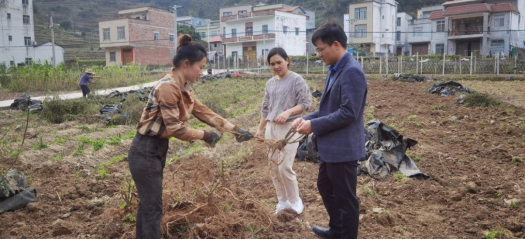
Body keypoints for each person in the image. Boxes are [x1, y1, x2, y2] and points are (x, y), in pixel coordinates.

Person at [127, 34, 253, 239]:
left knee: (148, 205)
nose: (202, 72)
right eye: (200, 67)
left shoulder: (185, 87)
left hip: (155, 149)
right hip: (145, 150)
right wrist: (205, 135)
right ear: (186, 64)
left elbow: (204, 112)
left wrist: (235, 129)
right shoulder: (168, 87)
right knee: (152, 208)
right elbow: (175, 128)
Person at [292, 21, 367, 239]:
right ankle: (337, 230)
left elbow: (348, 112)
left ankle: (345, 234)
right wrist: (305, 118)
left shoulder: (352, 71)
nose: (318, 54)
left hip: (343, 149)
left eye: (320, 49)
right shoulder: (335, 69)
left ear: (336, 45)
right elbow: (328, 109)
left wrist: (313, 126)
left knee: (346, 199)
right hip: (332, 148)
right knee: (325, 187)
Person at [255, 47, 312, 214]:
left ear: (287, 60)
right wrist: (260, 129)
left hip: (290, 127)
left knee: (284, 167)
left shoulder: (296, 80)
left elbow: (305, 103)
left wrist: (288, 111)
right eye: (272, 64)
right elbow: (266, 108)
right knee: (273, 166)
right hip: (271, 128)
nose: (276, 66)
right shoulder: (270, 83)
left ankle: (295, 201)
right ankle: (282, 201)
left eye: (279, 62)